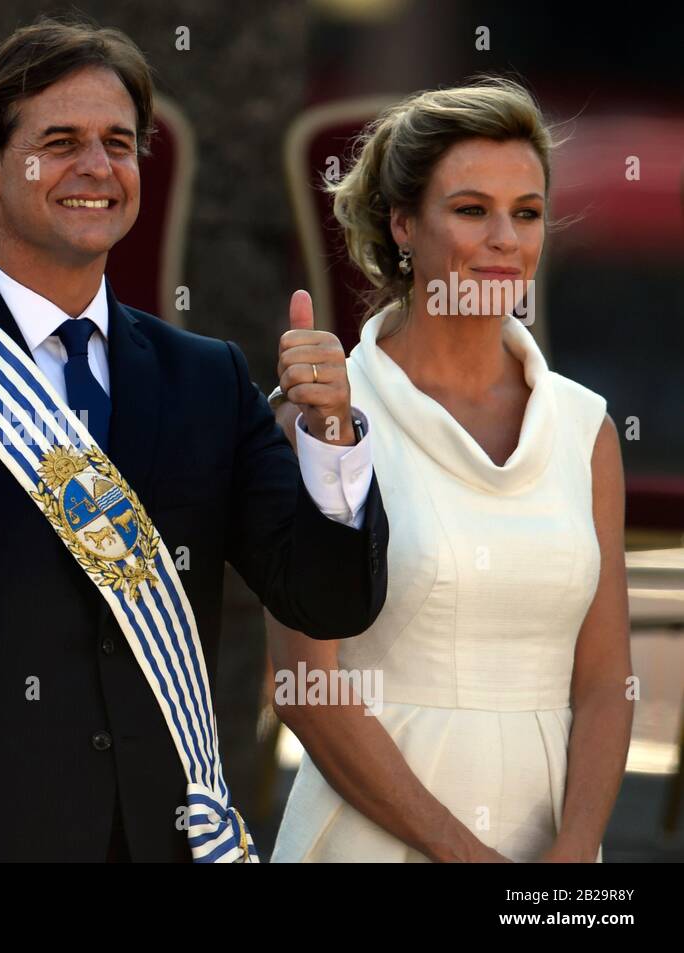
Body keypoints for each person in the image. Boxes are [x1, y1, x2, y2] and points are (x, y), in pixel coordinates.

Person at [0, 17, 387, 862]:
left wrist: (332, 436)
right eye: (59, 141)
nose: (97, 168)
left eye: (118, 143)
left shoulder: (204, 379)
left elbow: (328, 600)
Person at [269, 78, 632, 862]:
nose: (506, 238)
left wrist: (573, 859)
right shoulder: (324, 413)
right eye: (472, 210)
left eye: (526, 213)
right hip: (370, 840)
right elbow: (304, 688)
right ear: (403, 224)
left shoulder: (585, 426)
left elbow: (606, 683)